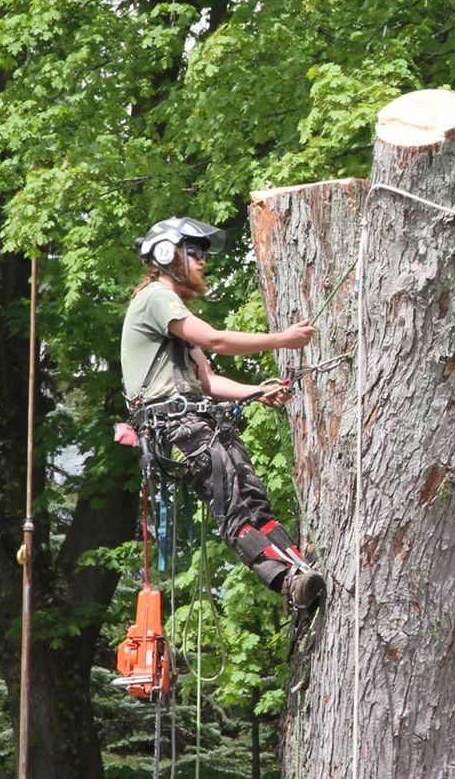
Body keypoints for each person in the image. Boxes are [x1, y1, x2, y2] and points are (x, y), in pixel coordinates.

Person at [121, 215, 325, 614]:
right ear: (168, 255)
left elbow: (209, 382)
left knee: (253, 498)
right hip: (178, 426)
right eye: (194, 253)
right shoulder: (156, 298)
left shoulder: (172, 316)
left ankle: (300, 568)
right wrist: (282, 340)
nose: (202, 262)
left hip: (197, 420)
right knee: (233, 507)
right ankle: (285, 581)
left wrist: (257, 391)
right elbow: (215, 339)